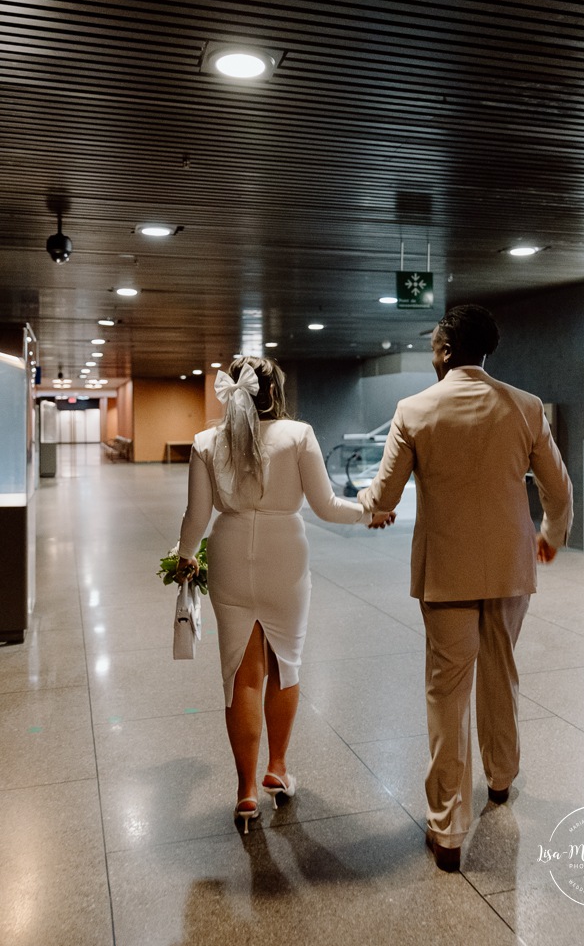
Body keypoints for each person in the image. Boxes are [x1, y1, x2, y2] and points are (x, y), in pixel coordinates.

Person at [358, 304, 573, 871]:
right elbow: (558, 486)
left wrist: (370, 508)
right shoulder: (525, 408)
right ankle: (500, 779)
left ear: (449, 350)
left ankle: (448, 828)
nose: (432, 351)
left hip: (446, 575)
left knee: (446, 693)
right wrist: (550, 534)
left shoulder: (415, 409)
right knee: (501, 670)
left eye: (434, 343)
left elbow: (384, 496)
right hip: (509, 569)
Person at [176, 356, 377, 833]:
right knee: (285, 663)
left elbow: (195, 517)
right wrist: (370, 510)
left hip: (227, 550)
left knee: (241, 675)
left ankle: (245, 792)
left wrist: (186, 558)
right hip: (284, 553)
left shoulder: (206, 442)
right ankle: (278, 767)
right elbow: (327, 507)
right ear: (275, 393)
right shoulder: (297, 434)